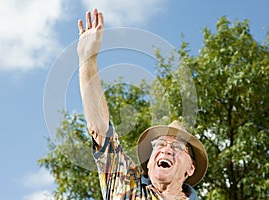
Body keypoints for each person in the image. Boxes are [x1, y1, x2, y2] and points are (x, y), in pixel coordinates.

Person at [77, 8, 208, 200]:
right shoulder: (126, 186)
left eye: (178, 147)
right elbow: (100, 130)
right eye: (160, 144)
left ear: (190, 168)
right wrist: (87, 60)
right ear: (148, 163)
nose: (167, 149)